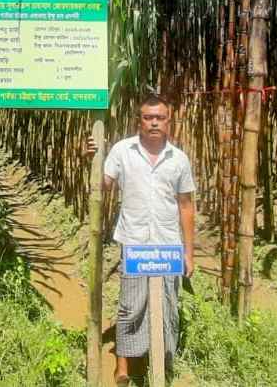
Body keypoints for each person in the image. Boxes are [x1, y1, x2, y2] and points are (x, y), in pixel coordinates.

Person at [85, 92, 196, 386]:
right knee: (131, 305)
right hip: (134, 243)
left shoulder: (179, 160)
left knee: (167, 306)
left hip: (168, 246)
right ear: (139, 121)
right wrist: (93, 158)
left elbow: (186, 206)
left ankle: (161, 364)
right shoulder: (123, 151)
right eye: (148, 118)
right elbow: (104, 185)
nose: (154, 123)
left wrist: (189, 252)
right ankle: (123, 366)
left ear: (169, 122)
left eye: (160, 118)